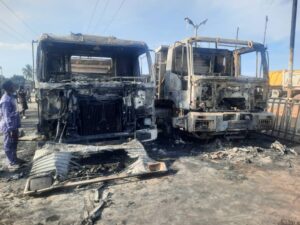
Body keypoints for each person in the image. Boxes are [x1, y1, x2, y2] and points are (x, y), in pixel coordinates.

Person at [0, 80, 21, 170]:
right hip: (9, 126)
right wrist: (10, 129)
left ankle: (14, 158)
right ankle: (11, 162)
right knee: (9, 144)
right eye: (12, 86)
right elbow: (6, 116)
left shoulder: (11, 96)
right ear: (8, 88)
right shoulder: (5, 101)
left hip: (14, 125)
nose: (14, 87)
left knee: (14, 142)